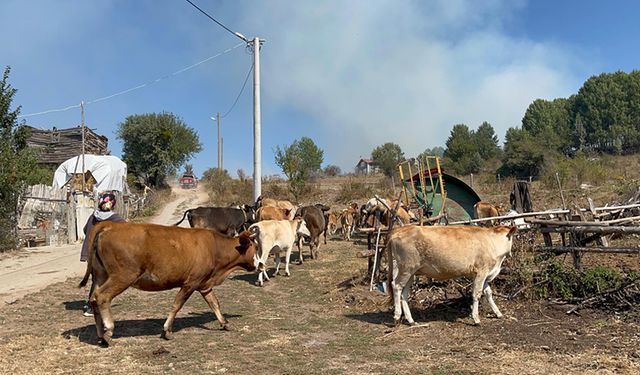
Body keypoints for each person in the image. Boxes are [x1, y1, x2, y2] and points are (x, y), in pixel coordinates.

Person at [80, 191, 126, 316]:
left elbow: (85, 230)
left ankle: (92, 304)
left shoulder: (93, 217)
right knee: (103, 279)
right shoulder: (117, 220)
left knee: (96, 278)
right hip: (107, 254)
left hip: (92, 252)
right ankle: (94, 305)